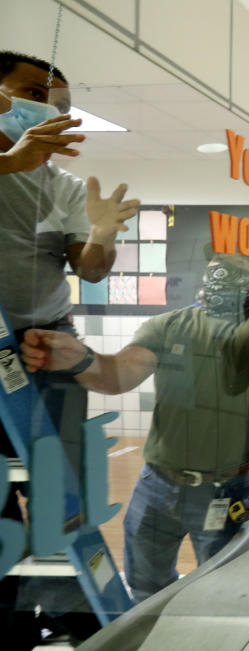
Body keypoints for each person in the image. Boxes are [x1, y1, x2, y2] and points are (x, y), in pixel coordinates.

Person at [20, 253, 249, 603]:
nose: (223, 270)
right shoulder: (168, 325)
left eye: (236, 266)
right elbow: (119, 373)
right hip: (156, 485)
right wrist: (81, 360)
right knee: (145, 586)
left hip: (225, 491)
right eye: (216, 263)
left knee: (226, 594)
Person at [0, 50, 140, 645]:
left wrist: (103, 236)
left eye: (59, 101)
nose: (49, 108)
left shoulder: (59, 185)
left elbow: (91, 267)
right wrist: (9, 162)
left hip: (46, 353)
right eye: (31, 92)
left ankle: (72, 618)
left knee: (65, 501)